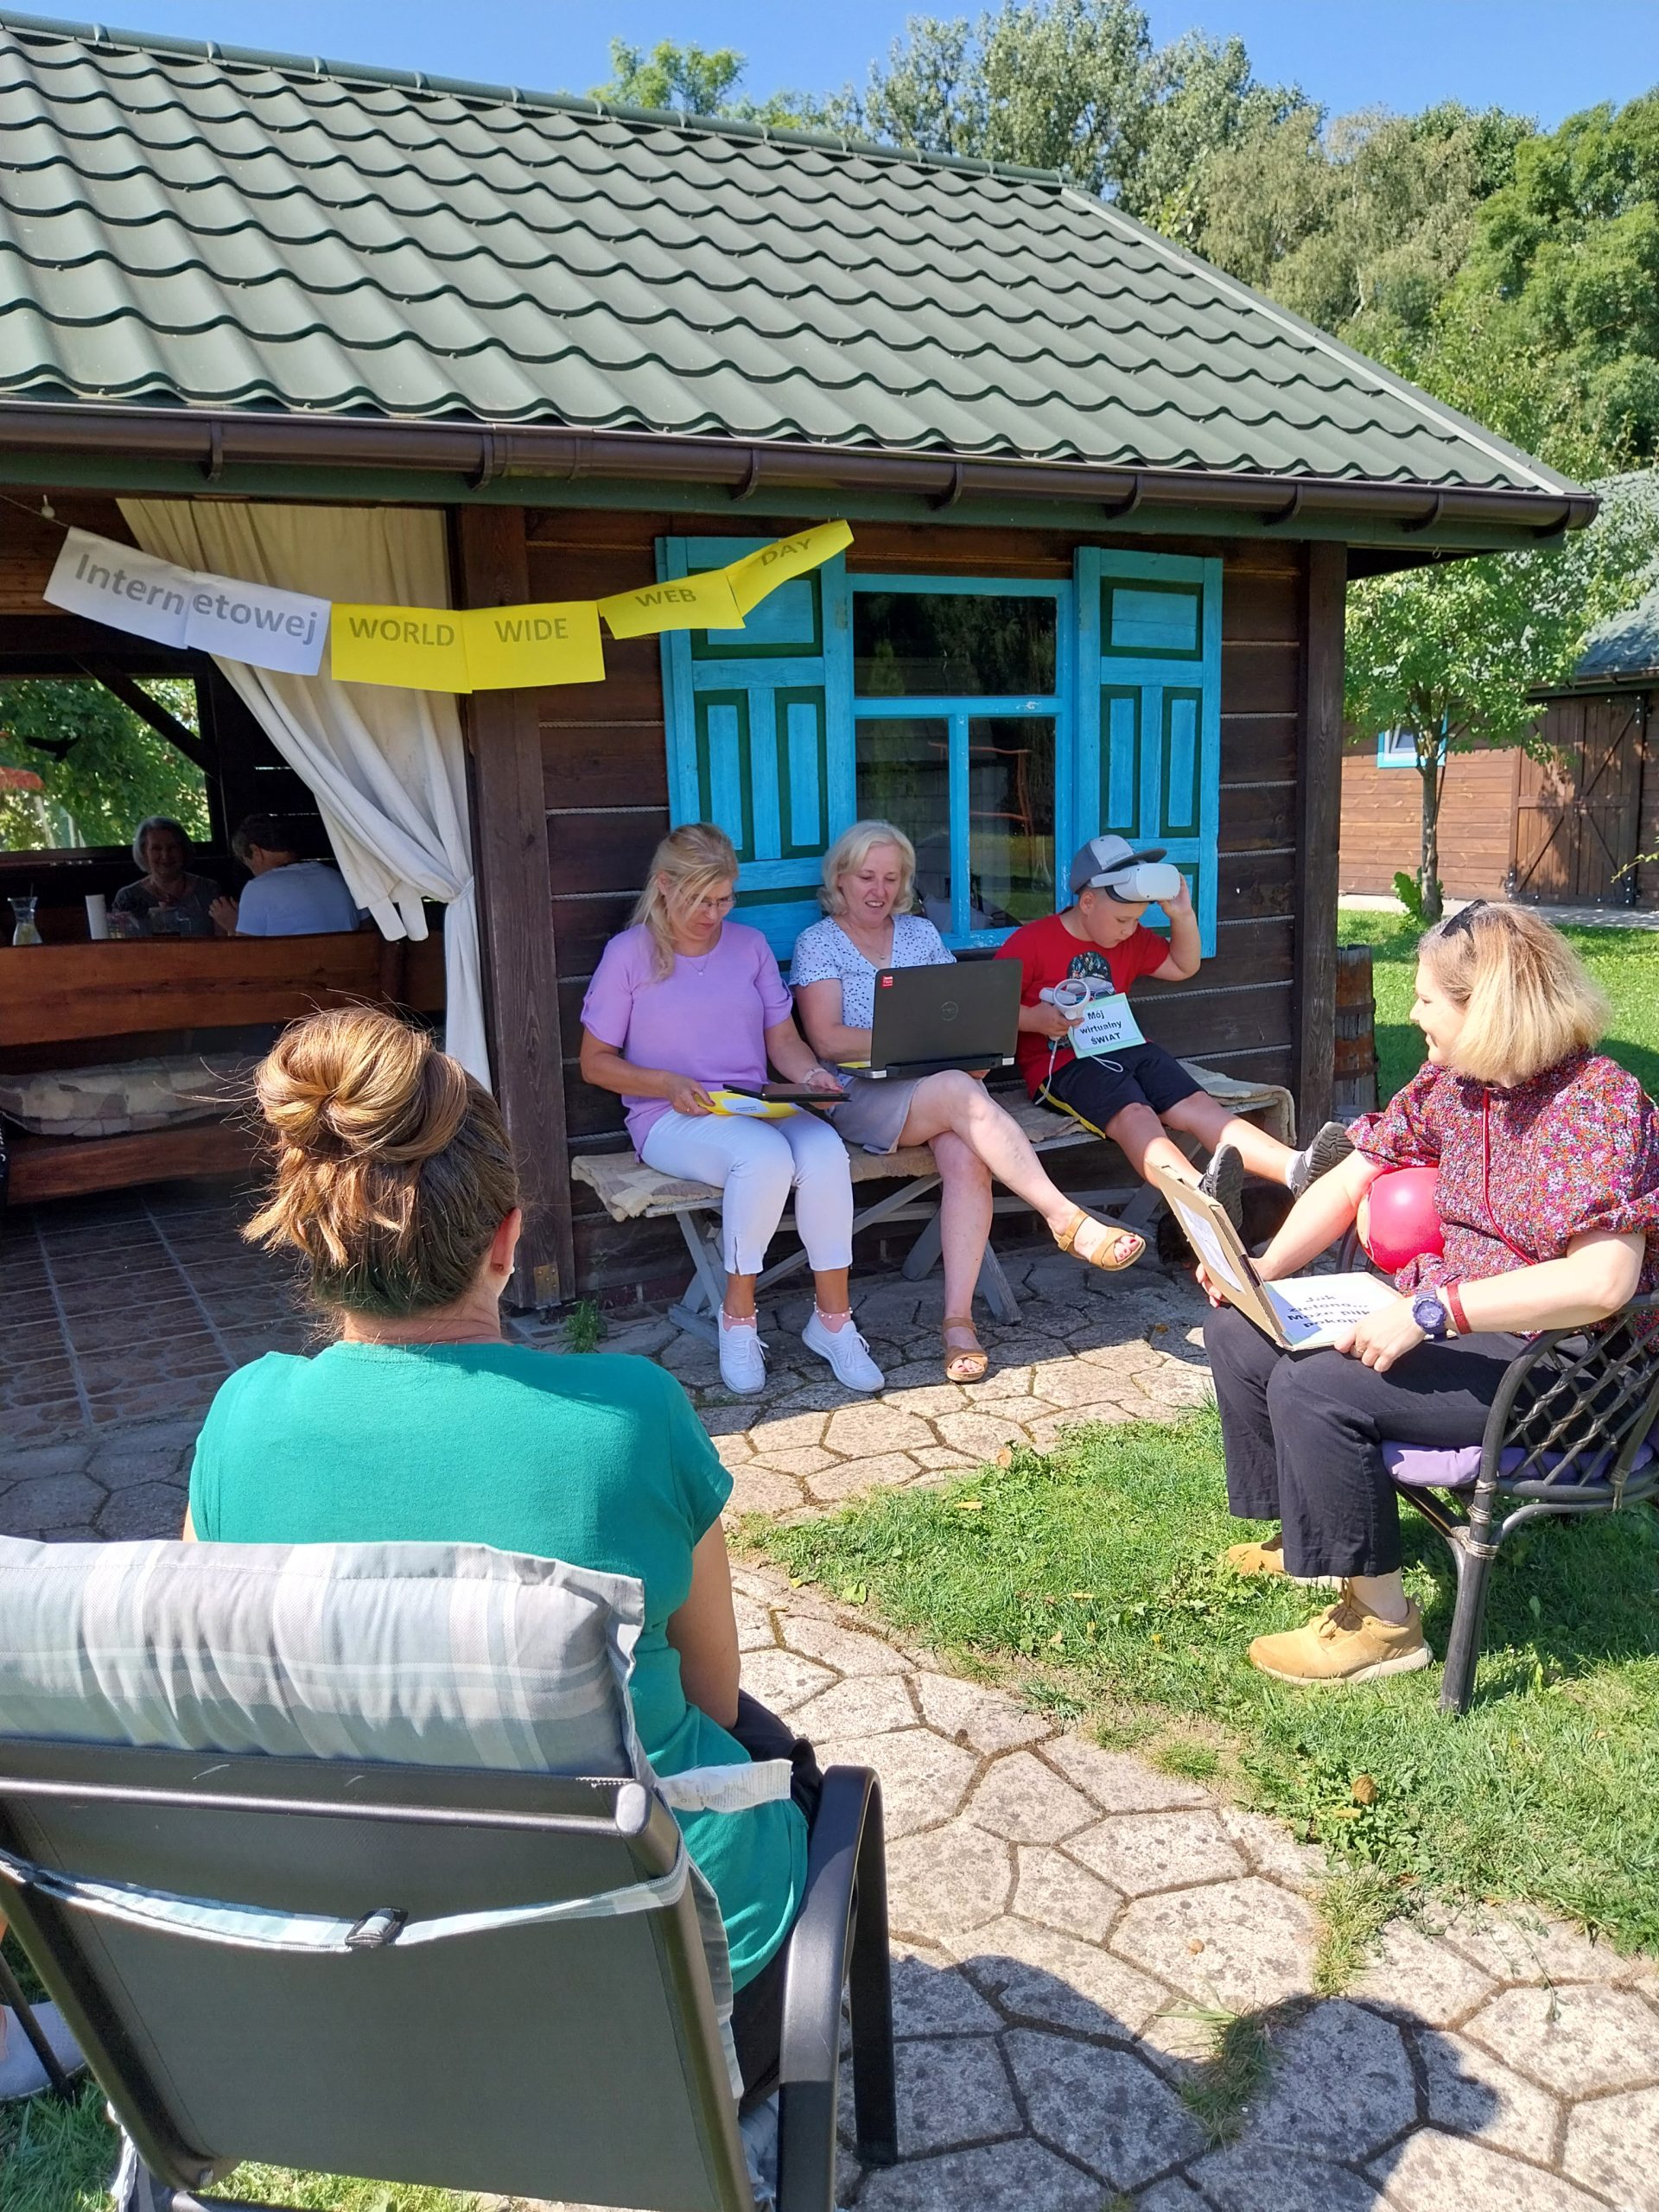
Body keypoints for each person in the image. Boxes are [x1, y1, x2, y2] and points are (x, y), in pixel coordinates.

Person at [184, 1005, 820, 2106]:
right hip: (668, 1992)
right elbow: (712, 1698)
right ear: (508, 1236)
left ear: (309, 1234)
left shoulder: (241, 1423)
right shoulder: (632, 1416)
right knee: (785, 1764)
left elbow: (220, 1687)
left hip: (371, 1988)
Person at [1205, 901, 1659, 1686]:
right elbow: (1355, 1174)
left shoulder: (1601, 1106)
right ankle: (1306, 1537)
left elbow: (1602, 1283)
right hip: (1463, 1323)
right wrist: (1261, 1274)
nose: (1410, 1011)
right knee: (1244, 1330)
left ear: (1485, 1007)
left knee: (1314, 1385)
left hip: (1563, 1366)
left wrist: (1433, 1311)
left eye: (1424, 999)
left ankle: (1383, 1625)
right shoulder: (1459, 1083)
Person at [791, 820, 1153, 1383]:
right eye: (865, 876)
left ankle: (958, 1324)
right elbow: (827, 1038)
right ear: (839, 878)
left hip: (931, 1083)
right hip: (857, 1092)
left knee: (965, 1157)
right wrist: (920, 1045)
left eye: (891, 878)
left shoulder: (916, 935)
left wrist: (962, 1045)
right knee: (962, 1093)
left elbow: (952, 1010)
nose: (878, 890)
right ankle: (1064, 1218)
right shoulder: (819, 942)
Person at [579, 823, 883, 1400]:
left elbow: (784, 1041)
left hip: (753, 1103)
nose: (714, 914)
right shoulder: (629, 954)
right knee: (763, 1158)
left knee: (824, 1151)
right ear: (665, 886)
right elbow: (595, 1062)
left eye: (724, 900)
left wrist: (810, 1075)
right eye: (701, 900)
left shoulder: (748, 947)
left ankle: (833, 1321)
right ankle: (738, 1317)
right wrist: (664, 1082)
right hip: (668, 1115)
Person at [996, 834, 1354, 1224]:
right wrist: (1035, 1020)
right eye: (1122, 920)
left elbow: (1183, 966)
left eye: (1136, 920)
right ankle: (1195, 1194)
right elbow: (989, 1009)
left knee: (1197, 1106)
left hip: (1128, 1046)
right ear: (1087, 902)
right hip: (1063, 1065)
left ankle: (1296, 1169)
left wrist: (1182, 916)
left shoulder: (1127, 939)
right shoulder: (1030, 942)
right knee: (1135, 1114)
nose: (1129, 930)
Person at [210, 815, 360, 938]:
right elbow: (366, 926)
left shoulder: (258, 889)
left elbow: (247, 958)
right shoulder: (337, 878)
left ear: (256, 852)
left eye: (247, 862)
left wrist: (234, 926)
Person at [112, 816, 223, 938]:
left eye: (172, 847)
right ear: (144, 852)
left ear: (183, 849)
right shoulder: (127, 897)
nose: (165, 856)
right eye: (156, 849)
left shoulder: (209, 890)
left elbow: (224, 943)